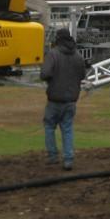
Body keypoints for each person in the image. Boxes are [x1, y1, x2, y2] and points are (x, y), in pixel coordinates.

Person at [39, 28, 87, 170]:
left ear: (58, 39)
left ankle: (53, 156)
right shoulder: (78, 55)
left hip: (55, 98)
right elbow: (82, 75)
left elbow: (45, 74)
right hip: (71, 100)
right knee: (67, 128)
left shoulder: (53, 54)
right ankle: (68, 159)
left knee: (49, 126)